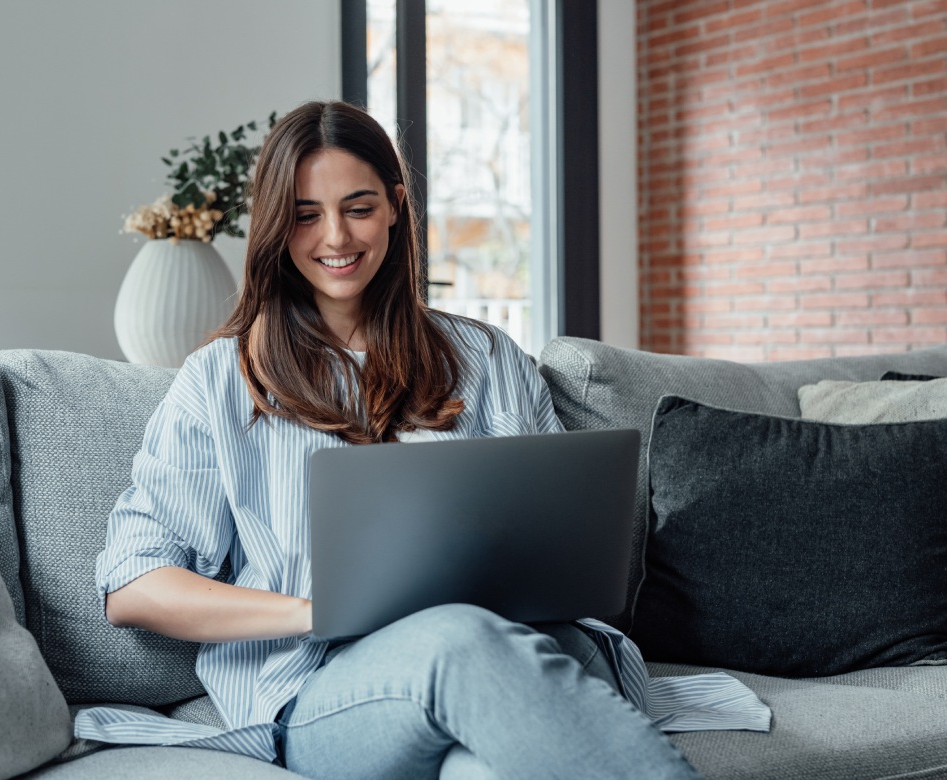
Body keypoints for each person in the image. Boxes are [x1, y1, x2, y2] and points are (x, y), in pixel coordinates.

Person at [80, 100, 765, 778]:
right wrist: (317, 610)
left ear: (396, 205)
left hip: (529, 650)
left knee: (478, 762)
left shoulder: (488, 357)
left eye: (359, 207)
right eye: (306, 214)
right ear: (274, 225)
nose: (337, 239)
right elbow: (135, 586)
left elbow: (564, 545)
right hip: (330, 690)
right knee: (457, 639)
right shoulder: (220, 381)